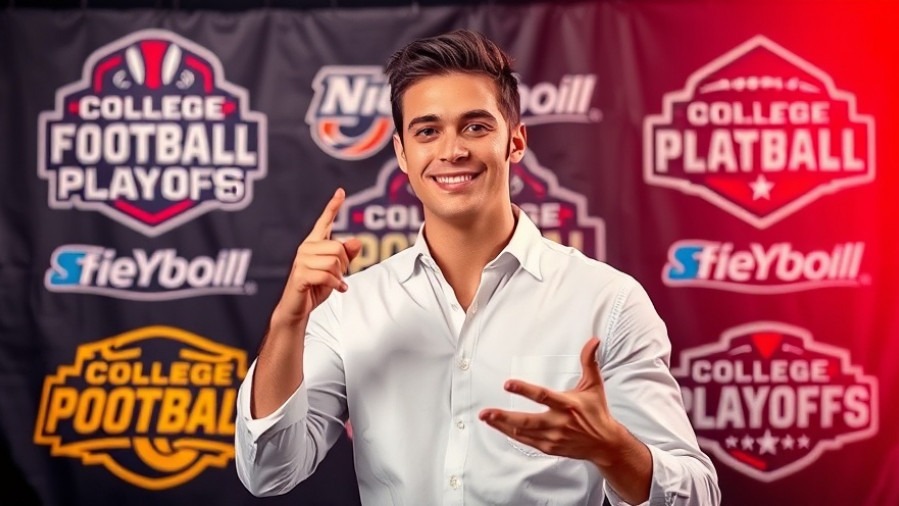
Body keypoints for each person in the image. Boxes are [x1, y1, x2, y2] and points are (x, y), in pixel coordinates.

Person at [234, 29, 721, 506]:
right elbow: (268, 471)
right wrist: (289, 321)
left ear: (515, 141)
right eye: (428, 131)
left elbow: (698, 495)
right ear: (403, 153)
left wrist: (613, 450)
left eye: (476, 126)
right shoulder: (348, 305)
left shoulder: (607, 301)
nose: (452, 150)